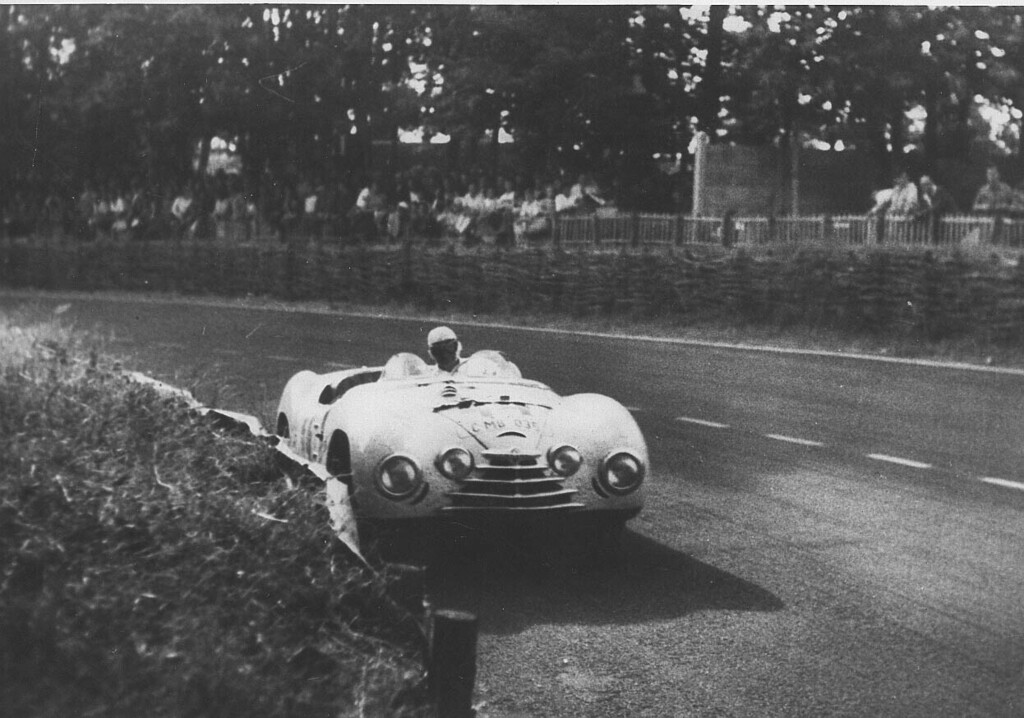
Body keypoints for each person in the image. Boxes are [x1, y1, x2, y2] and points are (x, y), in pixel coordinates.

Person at [915, 175, 958, 244]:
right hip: (935, 219)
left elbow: (938, 206)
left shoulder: (940, 191)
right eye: (922, 185)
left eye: (925, 185)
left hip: (949, 217)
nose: (923, 188)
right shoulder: (925, 195)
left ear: (931, 184)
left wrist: (924, 212)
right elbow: (923, 207)